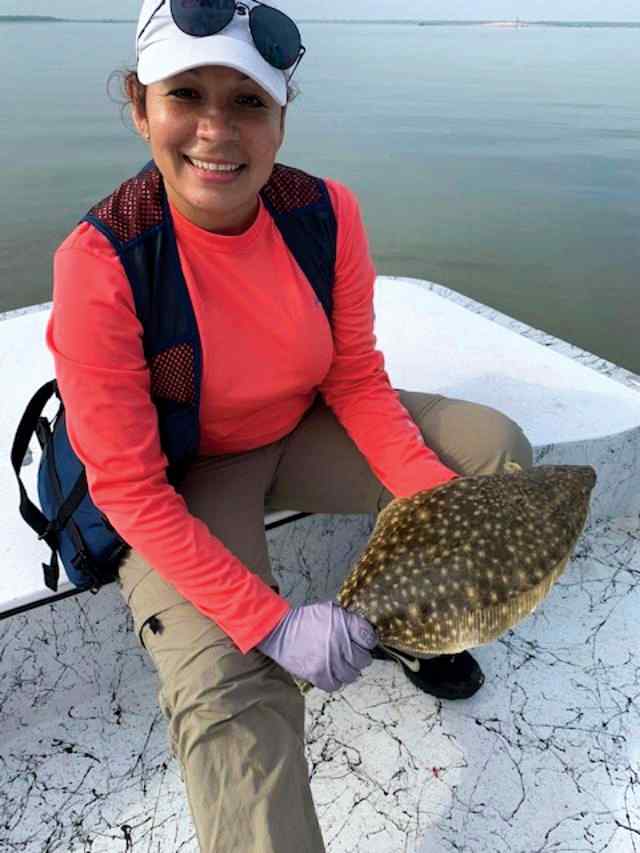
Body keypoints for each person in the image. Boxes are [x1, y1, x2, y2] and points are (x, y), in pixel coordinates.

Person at [45, 1, 534, 851]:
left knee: (494, 459)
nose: (214, 131)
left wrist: (437, 509)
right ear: (139, 106)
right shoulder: (105, 261)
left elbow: (354, 378)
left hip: (300, 425)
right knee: (237, 694)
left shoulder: (325, 214)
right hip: (183, 476)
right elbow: (127, 486)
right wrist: (272, 623)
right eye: (185, 94)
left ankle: (410, 631)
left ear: (280, 117)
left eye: (246, 102)